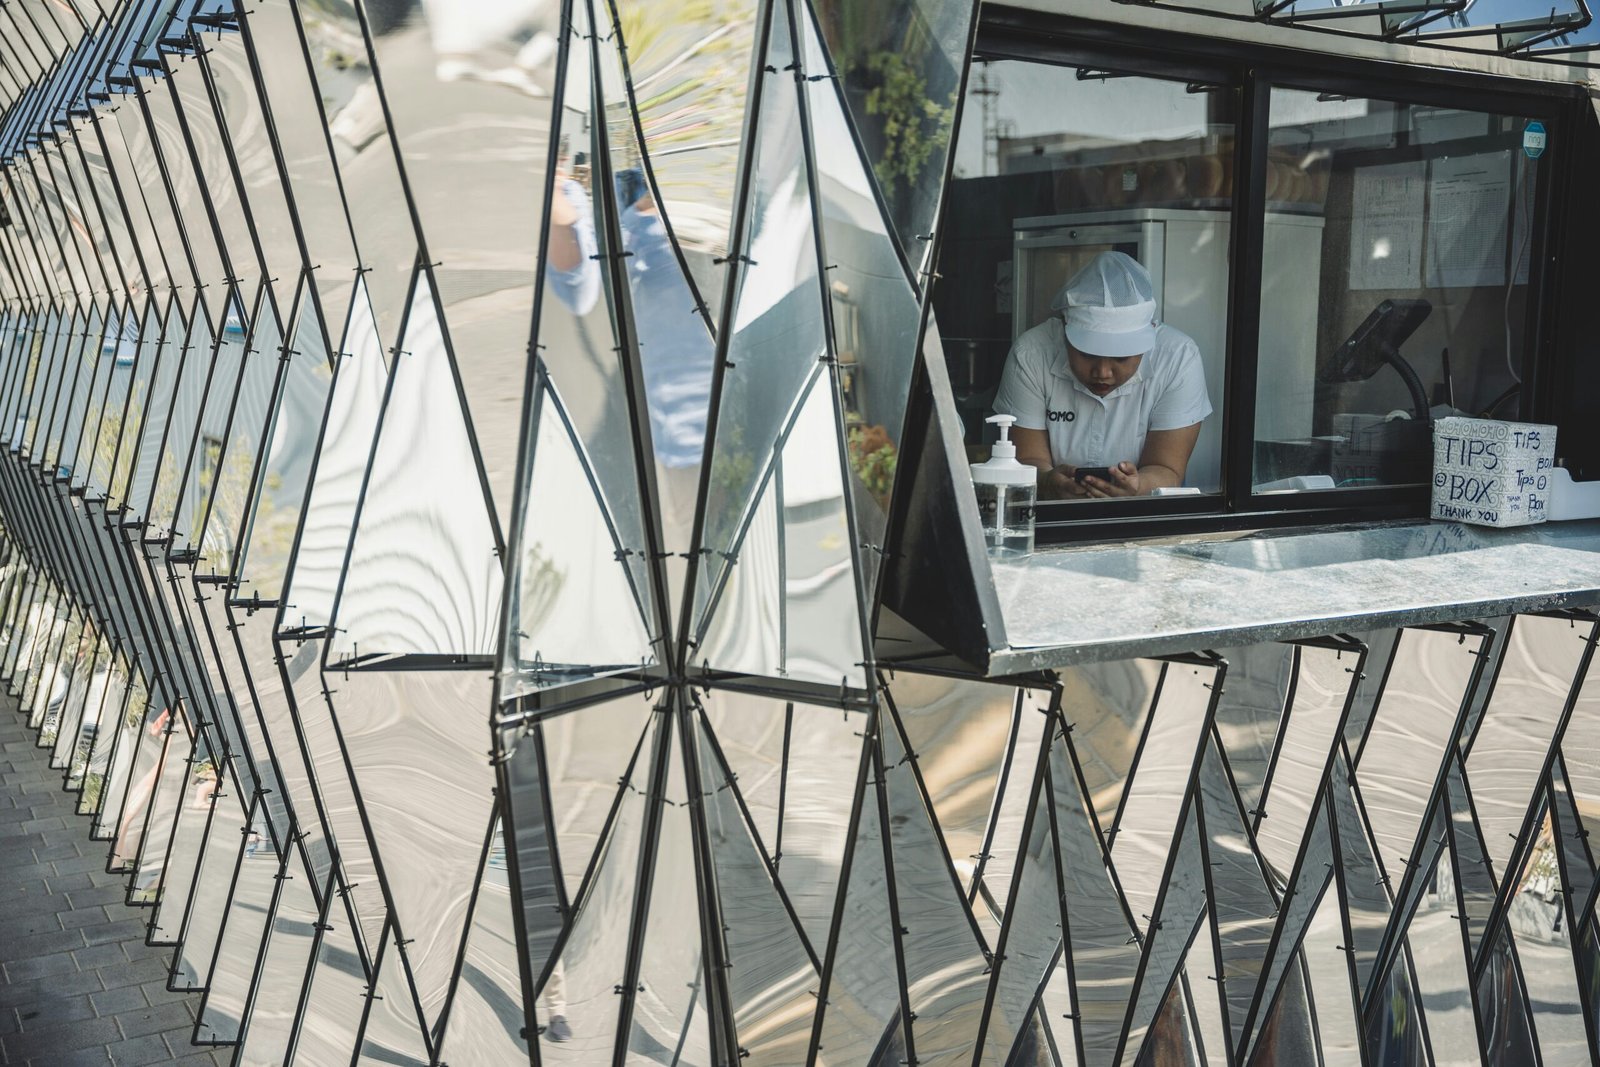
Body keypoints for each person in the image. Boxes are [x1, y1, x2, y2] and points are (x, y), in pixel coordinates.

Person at [993, 251, 1211, 499]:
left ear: (1147, 339)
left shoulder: (1177, 357)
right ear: (1065, 332)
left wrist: (1136, 487)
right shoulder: (1031, 353)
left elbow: (1168, 468)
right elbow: (1028, 460)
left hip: (1144, 520)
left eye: (1121, 358)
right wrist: (1048, 482)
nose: (1103, 373)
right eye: (1087, 355)